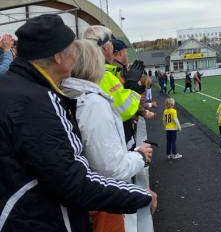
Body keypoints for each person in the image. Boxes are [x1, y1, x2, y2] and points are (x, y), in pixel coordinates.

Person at [0, 14, 155, 231]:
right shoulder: (39, 100)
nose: (76, 55)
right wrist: (137, 194)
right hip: (35, 219)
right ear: (57, 56)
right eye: (73, 48)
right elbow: (73, 182)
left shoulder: (16, 88)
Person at [61, 40, 155, 230]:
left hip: (88, 196)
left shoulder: (66, 93)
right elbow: (110, 168)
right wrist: (139, 156)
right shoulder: (91, 102)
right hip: (102, 201)